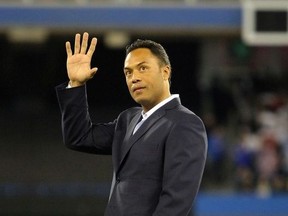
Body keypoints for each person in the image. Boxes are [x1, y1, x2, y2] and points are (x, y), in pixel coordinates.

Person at [56, 32, 207, 216]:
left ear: (165, 71)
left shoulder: (185, 123)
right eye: (128, 72)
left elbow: (175, 201)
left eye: (142, 68)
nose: (134, 77)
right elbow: (78, 137)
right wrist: (76, 84)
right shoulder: (128, 119)